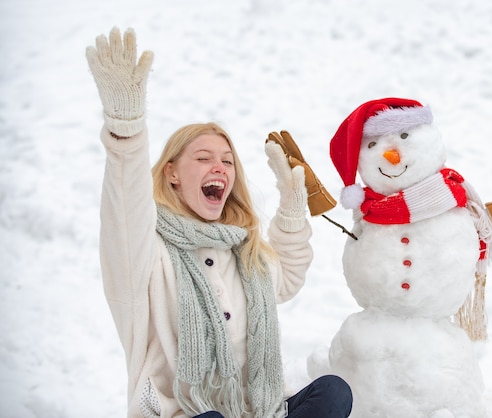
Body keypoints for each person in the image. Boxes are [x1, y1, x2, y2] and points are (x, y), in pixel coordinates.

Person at [86, 27, 352, 418]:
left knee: (333, 393)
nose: (220, 167)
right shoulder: (145, 254)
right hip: (185, 413)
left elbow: (288, 276)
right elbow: (124, 213)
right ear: (172, 173)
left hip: (255, 409)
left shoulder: (241, 252)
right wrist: (126, 131)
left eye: (227, 161)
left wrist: (293, 208)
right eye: (204, 157)